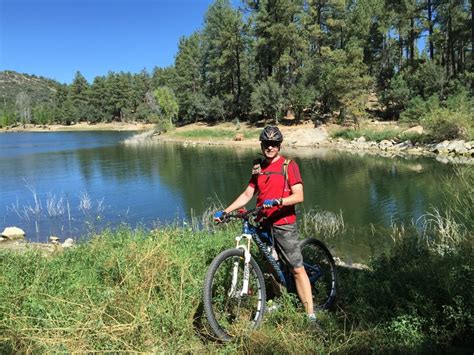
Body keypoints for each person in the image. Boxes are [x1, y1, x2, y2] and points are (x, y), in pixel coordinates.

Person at [213, 125, 317, 322]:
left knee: (296, 267)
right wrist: (225, 211)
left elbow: (299, 195)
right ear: (262, 145)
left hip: (283, 223)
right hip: (263, 222)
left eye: (274, 144)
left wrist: (279, 201)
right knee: (271, 263)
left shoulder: (289, 165)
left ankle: (310, 314)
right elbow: (247, 194)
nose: (270, 147)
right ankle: (279, 299)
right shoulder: (258, 168)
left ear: (279, 145)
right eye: (267, 144)